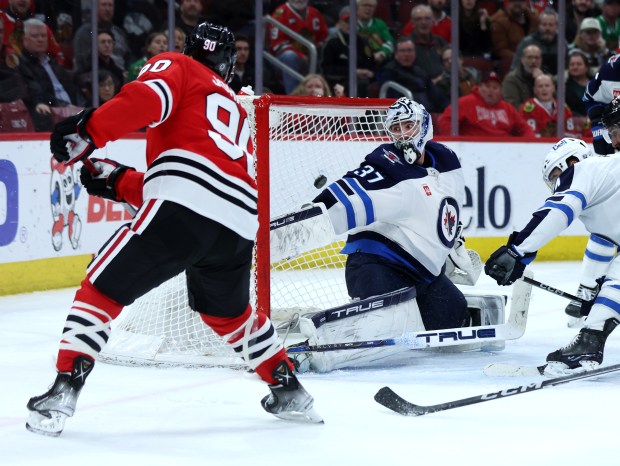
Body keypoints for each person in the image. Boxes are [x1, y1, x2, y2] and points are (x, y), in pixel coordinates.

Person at [25, 21, 323, 437]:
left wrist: (87, 131)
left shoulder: (177, 65)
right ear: (229, 61)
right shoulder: (236, 107)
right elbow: (202, 177)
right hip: (238, 222)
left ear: (189, 49)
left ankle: (63, 389)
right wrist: (117, 181)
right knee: (228, 313)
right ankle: (288, 388)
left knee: (101, 286)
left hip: (187, 206)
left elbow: (147, 100)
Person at [288, 97, 475, 373]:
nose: (402, 135)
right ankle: (306, 353)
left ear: (425, 126)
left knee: (452, 317)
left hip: (421, 273)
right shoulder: (385, 162)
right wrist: (317, 209)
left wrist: (451, 245)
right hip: (375, 264)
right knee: (388, 326)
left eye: (408, 125)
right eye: (396, 128)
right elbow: (351, 185)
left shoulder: (446, 159)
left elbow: (450, 208)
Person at [484, 135, 619, 376]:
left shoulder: (584, 170)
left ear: (571, 162)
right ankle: (591, 338)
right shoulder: (608, 184)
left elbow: (556, 212)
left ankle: (589, 342)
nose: (558, 184)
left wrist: (517, 252)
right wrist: (599, 299)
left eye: (556, 176)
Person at [16, 18, 78, 131]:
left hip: (71, 111)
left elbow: (72, 89)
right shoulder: (21, 64)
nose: (40, 40)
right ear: (24, 40)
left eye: (43, 36)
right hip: (50, 112)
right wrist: (63, 105)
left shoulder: (53, 62)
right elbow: (36, 90)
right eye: (35, 36)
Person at [437, 71, 535, 137]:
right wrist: (455, 143)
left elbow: (525, 129)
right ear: (479, 87)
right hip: (472, 150)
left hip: (504, 151)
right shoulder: (465, 103)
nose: (490, 91)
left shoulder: (507, 108)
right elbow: (445, 120)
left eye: (495, 87)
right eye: (487, 86)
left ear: (501, 90)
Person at [268, 0, 329, 94]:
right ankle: (293, 96)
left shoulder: (314, 13)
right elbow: (277, 44)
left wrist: (318, 46)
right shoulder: (280, 13)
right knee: (290, 56)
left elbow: (323, 35)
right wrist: (300, 55)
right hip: (283, 60)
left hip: (311, 56)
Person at [380, 36, 448, 113]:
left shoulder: (420, 72)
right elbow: (391, 101)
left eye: (409, 50)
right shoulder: (389, 72)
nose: (406, 54)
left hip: (428, 114)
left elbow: (435, 94)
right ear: (396, 54)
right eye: (402, 51)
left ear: (415, 53)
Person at [321, 6, 376, 98]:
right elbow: (327, 69)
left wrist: (370, 72)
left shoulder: (364, 42)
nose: (349, 25)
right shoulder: (332, 44)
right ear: (340, 23)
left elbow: (371, 63)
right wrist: (353, 72)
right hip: (339, 81)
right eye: (346, 22)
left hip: (363, 81)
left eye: (353, 22)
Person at [73, 0, 132, 70]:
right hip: (98, 76)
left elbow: (128, 57)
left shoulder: (118, 32)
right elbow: (82, 63)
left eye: (110, 5)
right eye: (104, 5)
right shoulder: (85, 33)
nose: (107, 9)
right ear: (96, 8)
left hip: (121, 76)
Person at [510, 8, 559, 76]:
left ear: (556, 26)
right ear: (539, 25)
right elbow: (514, 68)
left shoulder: (562, 44)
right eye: (544, 25)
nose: (547, 28)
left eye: (551, 25)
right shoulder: (526, 43)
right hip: (528, 82)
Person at [408, 4, 447, 82]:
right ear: (412, 22)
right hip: (421, 88)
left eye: (427, 18)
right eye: (419, 19)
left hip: (443, 83)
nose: (423, 22)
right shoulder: (407, 45)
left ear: (432, 21)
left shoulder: (439, 41)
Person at [502, 43, 544, 109]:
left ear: (541, 60)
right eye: (529, 57)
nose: (533, 61)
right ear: (522, 60)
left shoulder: (546, 78)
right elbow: (513, 106)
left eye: (537, 58)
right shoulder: (511, 79)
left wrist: (541, 81)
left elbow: (554, 102)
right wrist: (536, 110)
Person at [355, 0, 394, 66]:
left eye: (371, 6)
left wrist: (383, 53)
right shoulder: (350, 23)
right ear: (357, 7)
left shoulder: (380, 24)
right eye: (365, 5)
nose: (368, 9)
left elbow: (389, 42)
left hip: (377, 62)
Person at [565, 50, 592, 117]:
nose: (575, 67)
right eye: (572, 64)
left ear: (586, 68)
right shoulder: (565, 89)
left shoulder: (597, 84)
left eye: (579, 64)